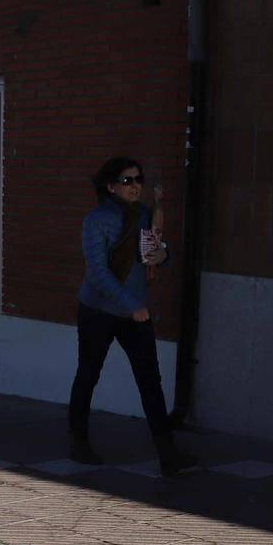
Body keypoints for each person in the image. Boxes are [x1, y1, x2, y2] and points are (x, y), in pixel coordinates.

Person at [68, 156, 196, 476]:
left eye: (138, 179)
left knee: (150, 380)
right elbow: (97, 272)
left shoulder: (145, 215)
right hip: (100, 309)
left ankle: (167, 452)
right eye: (127, 181)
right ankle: (79, 441)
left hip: (135, 312)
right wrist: (131, 304)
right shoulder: (96, 220)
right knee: (88, 373)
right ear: (110, 186)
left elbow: (154, 252)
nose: (135, 185)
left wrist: (164, 255)